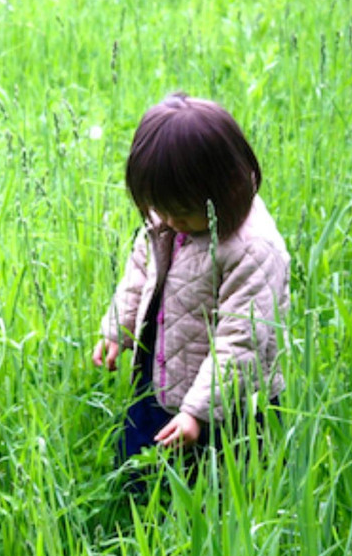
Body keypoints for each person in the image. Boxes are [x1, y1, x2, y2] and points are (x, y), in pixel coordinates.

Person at [92, 93, 290, 487]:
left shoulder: (252, 248)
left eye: (180, 212)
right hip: (161, 372)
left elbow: (241, 340)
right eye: (159, 207)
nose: (167, 220)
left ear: (225, 188)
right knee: (142, 473)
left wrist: (198, 412)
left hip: (227, 401)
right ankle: (138, 510)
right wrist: (119, 328)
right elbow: (140, 267)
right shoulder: (171, 213)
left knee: (221, 487)